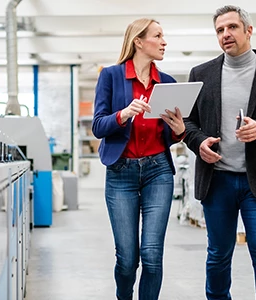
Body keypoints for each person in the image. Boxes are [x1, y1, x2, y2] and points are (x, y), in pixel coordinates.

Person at [183, 5, 256, 300]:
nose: (226, 34)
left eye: (232, 27)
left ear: (249, 30)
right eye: (220, 30)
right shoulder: (201, 74)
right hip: (217, 180)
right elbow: (187, 122)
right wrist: (198, 143)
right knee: (218, 256)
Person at [92, 18, 186, 300]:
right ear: (138, 42)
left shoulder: (167, 83)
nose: (164, 42)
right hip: (121, 172)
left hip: (158, 171)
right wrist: (123, 114)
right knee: (127, 259)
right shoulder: (111, 76)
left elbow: (170, 134)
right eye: (158, 36)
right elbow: (98, 126)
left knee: (152, 255)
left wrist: (180, 131)